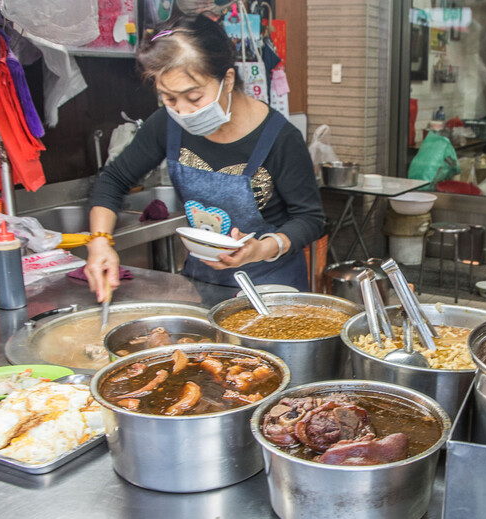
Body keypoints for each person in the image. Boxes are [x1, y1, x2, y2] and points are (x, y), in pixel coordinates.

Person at [85, 15, 324, 303]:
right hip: (201, 284)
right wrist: (100, 242)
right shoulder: (166, 124)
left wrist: (261, 249)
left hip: (271, 288)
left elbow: (309, 219)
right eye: (169, 98)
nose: (182, 111)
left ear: (228, 80)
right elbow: (114, 179)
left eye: (194, 97)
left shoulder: (280, 138)